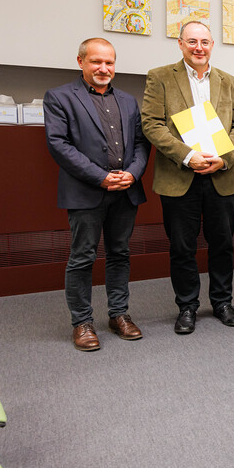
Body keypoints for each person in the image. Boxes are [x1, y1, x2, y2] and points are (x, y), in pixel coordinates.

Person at [141, 20, 234, 334]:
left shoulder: (229, 81)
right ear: (180, 44)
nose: (198, 48)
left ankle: (222, 302)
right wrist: (189, 156)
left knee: (222, 244)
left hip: (221, 175)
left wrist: (224, 158)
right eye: (192, 41)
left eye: (204, 42)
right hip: (179, 176)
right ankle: (187, 306)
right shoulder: (160, 77)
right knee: (182, 247)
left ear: (212, 45)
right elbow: (152, 124)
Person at [43, 38, 149, 351]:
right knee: (82, 257)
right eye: (96, 62)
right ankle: (82, 322)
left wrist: (133, 173)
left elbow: (141, 143)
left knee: (120, 254)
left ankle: (119, 314)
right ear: (81, 62)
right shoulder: (60, 97)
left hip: (126, 191)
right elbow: (59, 145)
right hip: (86, 191)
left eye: (109, 62)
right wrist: (101, 177)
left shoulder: (128, 101)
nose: (104, 68)